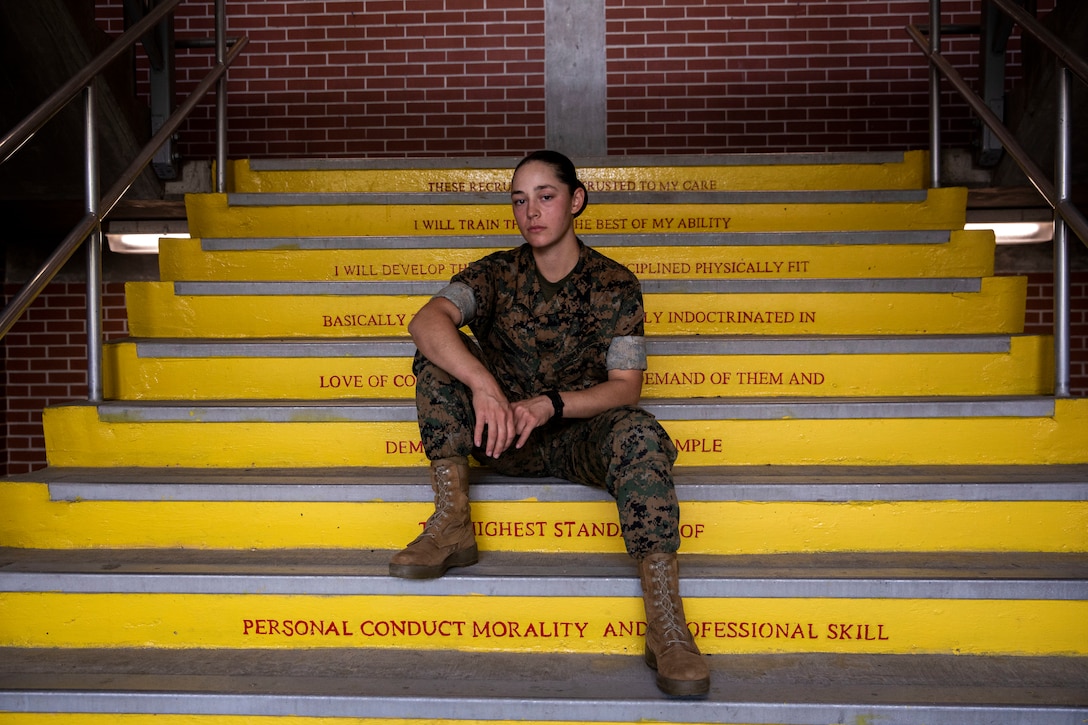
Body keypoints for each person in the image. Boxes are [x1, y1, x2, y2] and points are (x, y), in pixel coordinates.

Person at [389, 150, 710, 697]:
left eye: (546, 195)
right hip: (499, 434)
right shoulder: (494, 274)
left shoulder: (616, 284)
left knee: (641, 431)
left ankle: (667, 626)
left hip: (577, 440)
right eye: (519, 199)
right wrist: (485, 387)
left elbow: (625, 387)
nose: (531, 210)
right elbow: (426, 321)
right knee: (436, 358)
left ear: (576, 200)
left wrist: (549, 405)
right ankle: (451, 522)